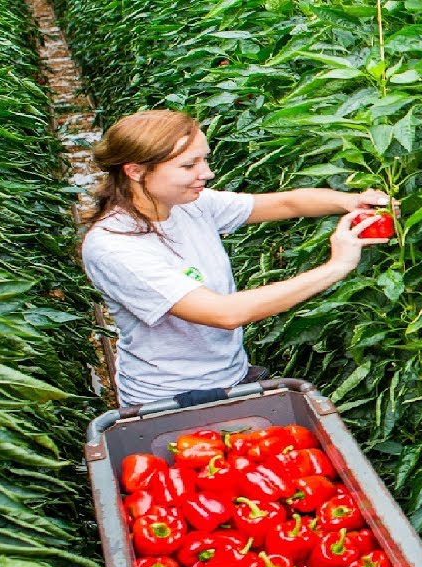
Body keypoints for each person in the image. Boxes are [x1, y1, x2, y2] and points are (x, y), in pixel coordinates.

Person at [81, 109, 393, 406]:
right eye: (189, 166)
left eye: (204, 160)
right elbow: (224, 313)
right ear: (135, 171)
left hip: (230, 375)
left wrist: (352, 201)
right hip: (168, 398)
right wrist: (336, 266)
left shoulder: (189, 204)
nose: (207, 173)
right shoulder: (115, 246)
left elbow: (287, 204)